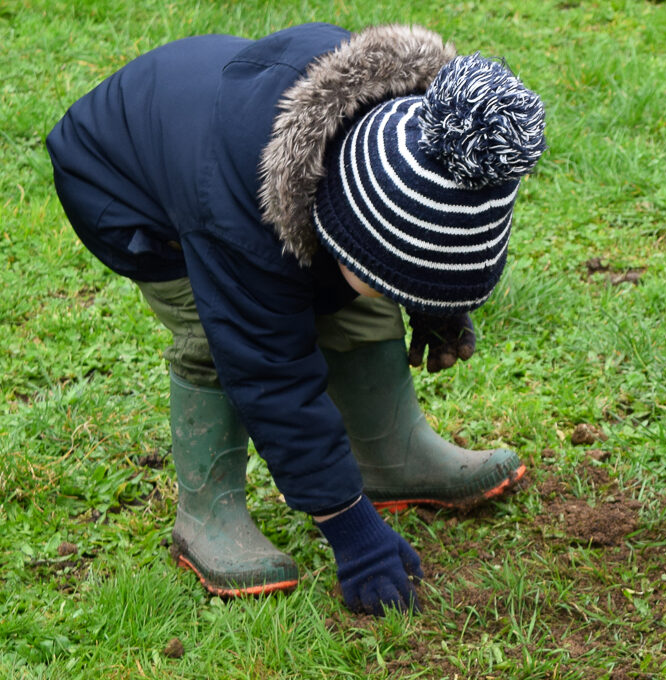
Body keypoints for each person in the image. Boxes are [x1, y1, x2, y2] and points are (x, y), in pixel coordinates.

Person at [47, 23, 546, 615]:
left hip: (231, 140)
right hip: (123, 184)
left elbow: (427, 230)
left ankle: (391, 456)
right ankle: (208, 511)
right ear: (338, 217)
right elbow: (271, 375)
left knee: (355, 301)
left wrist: (436, 302)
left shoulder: (418, 127)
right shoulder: (238, 226)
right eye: (377, 270)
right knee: (219, 332)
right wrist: (351, 531)